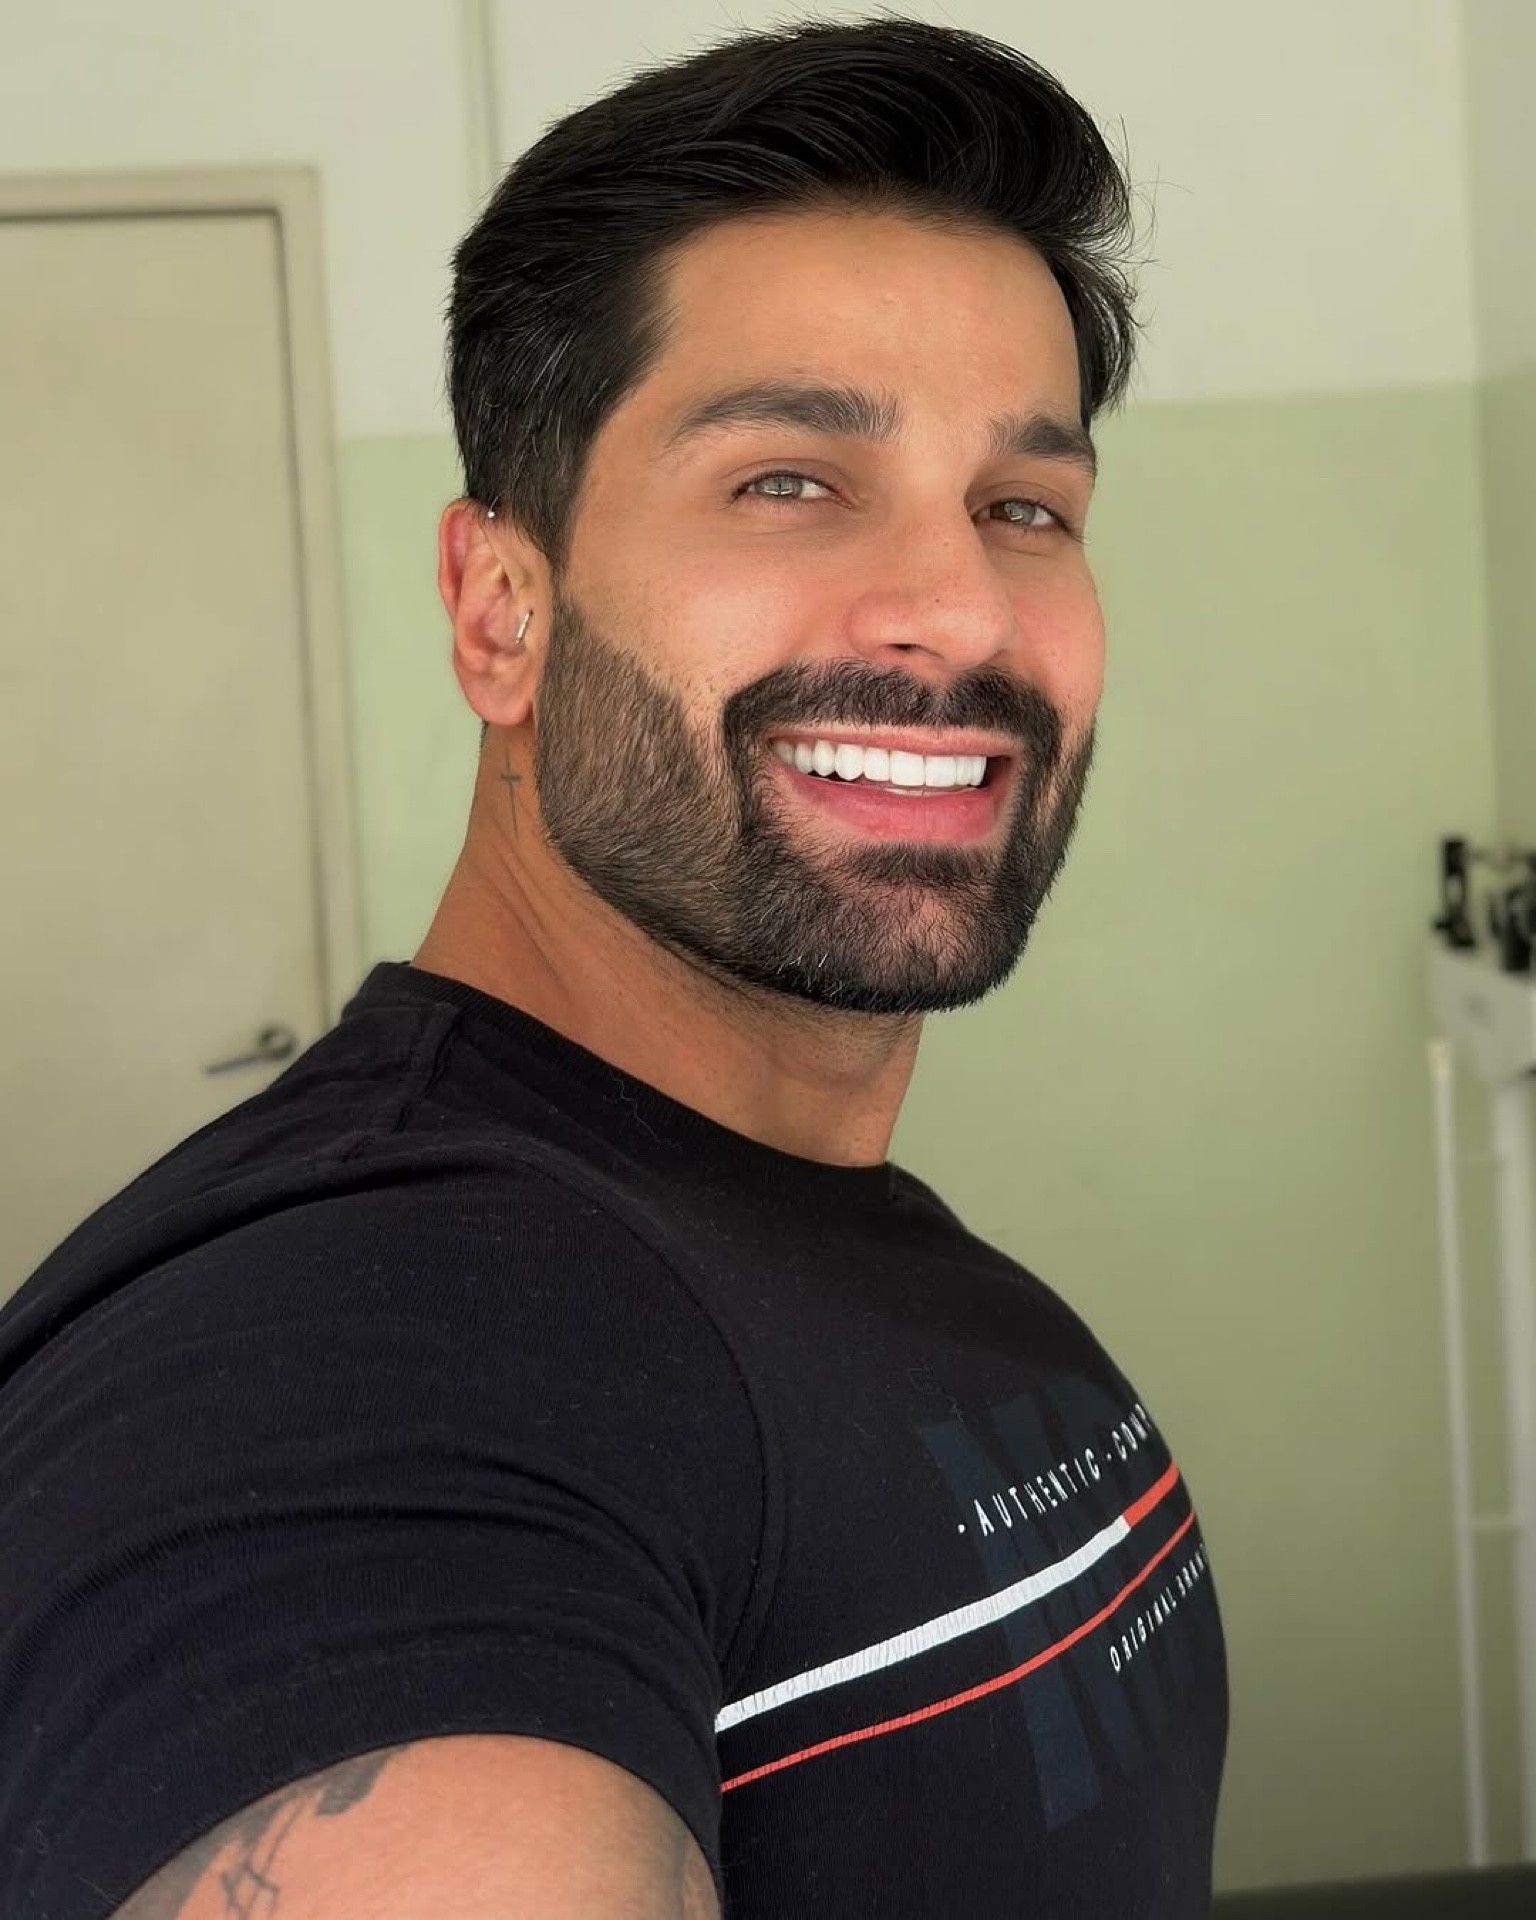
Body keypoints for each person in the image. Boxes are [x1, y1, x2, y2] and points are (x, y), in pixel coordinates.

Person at [0, 14, 1227, 1917]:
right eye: (790, 480)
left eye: (1025, 508)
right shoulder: (350, 1354)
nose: (962, 609)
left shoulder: (790, 1219)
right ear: (503, 610)